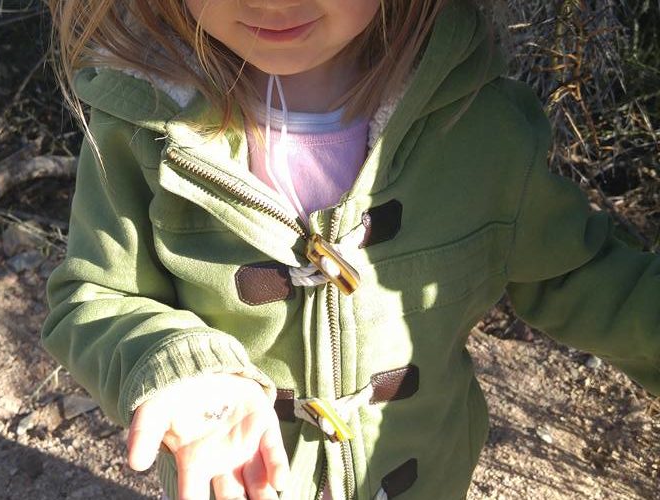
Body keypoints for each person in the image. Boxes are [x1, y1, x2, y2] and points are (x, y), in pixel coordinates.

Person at [42, 0, 660, 499]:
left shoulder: (480, 126)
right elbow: (95, 295)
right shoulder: (142, 125)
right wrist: (179, 364)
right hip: (236, 481)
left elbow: (584, 275)